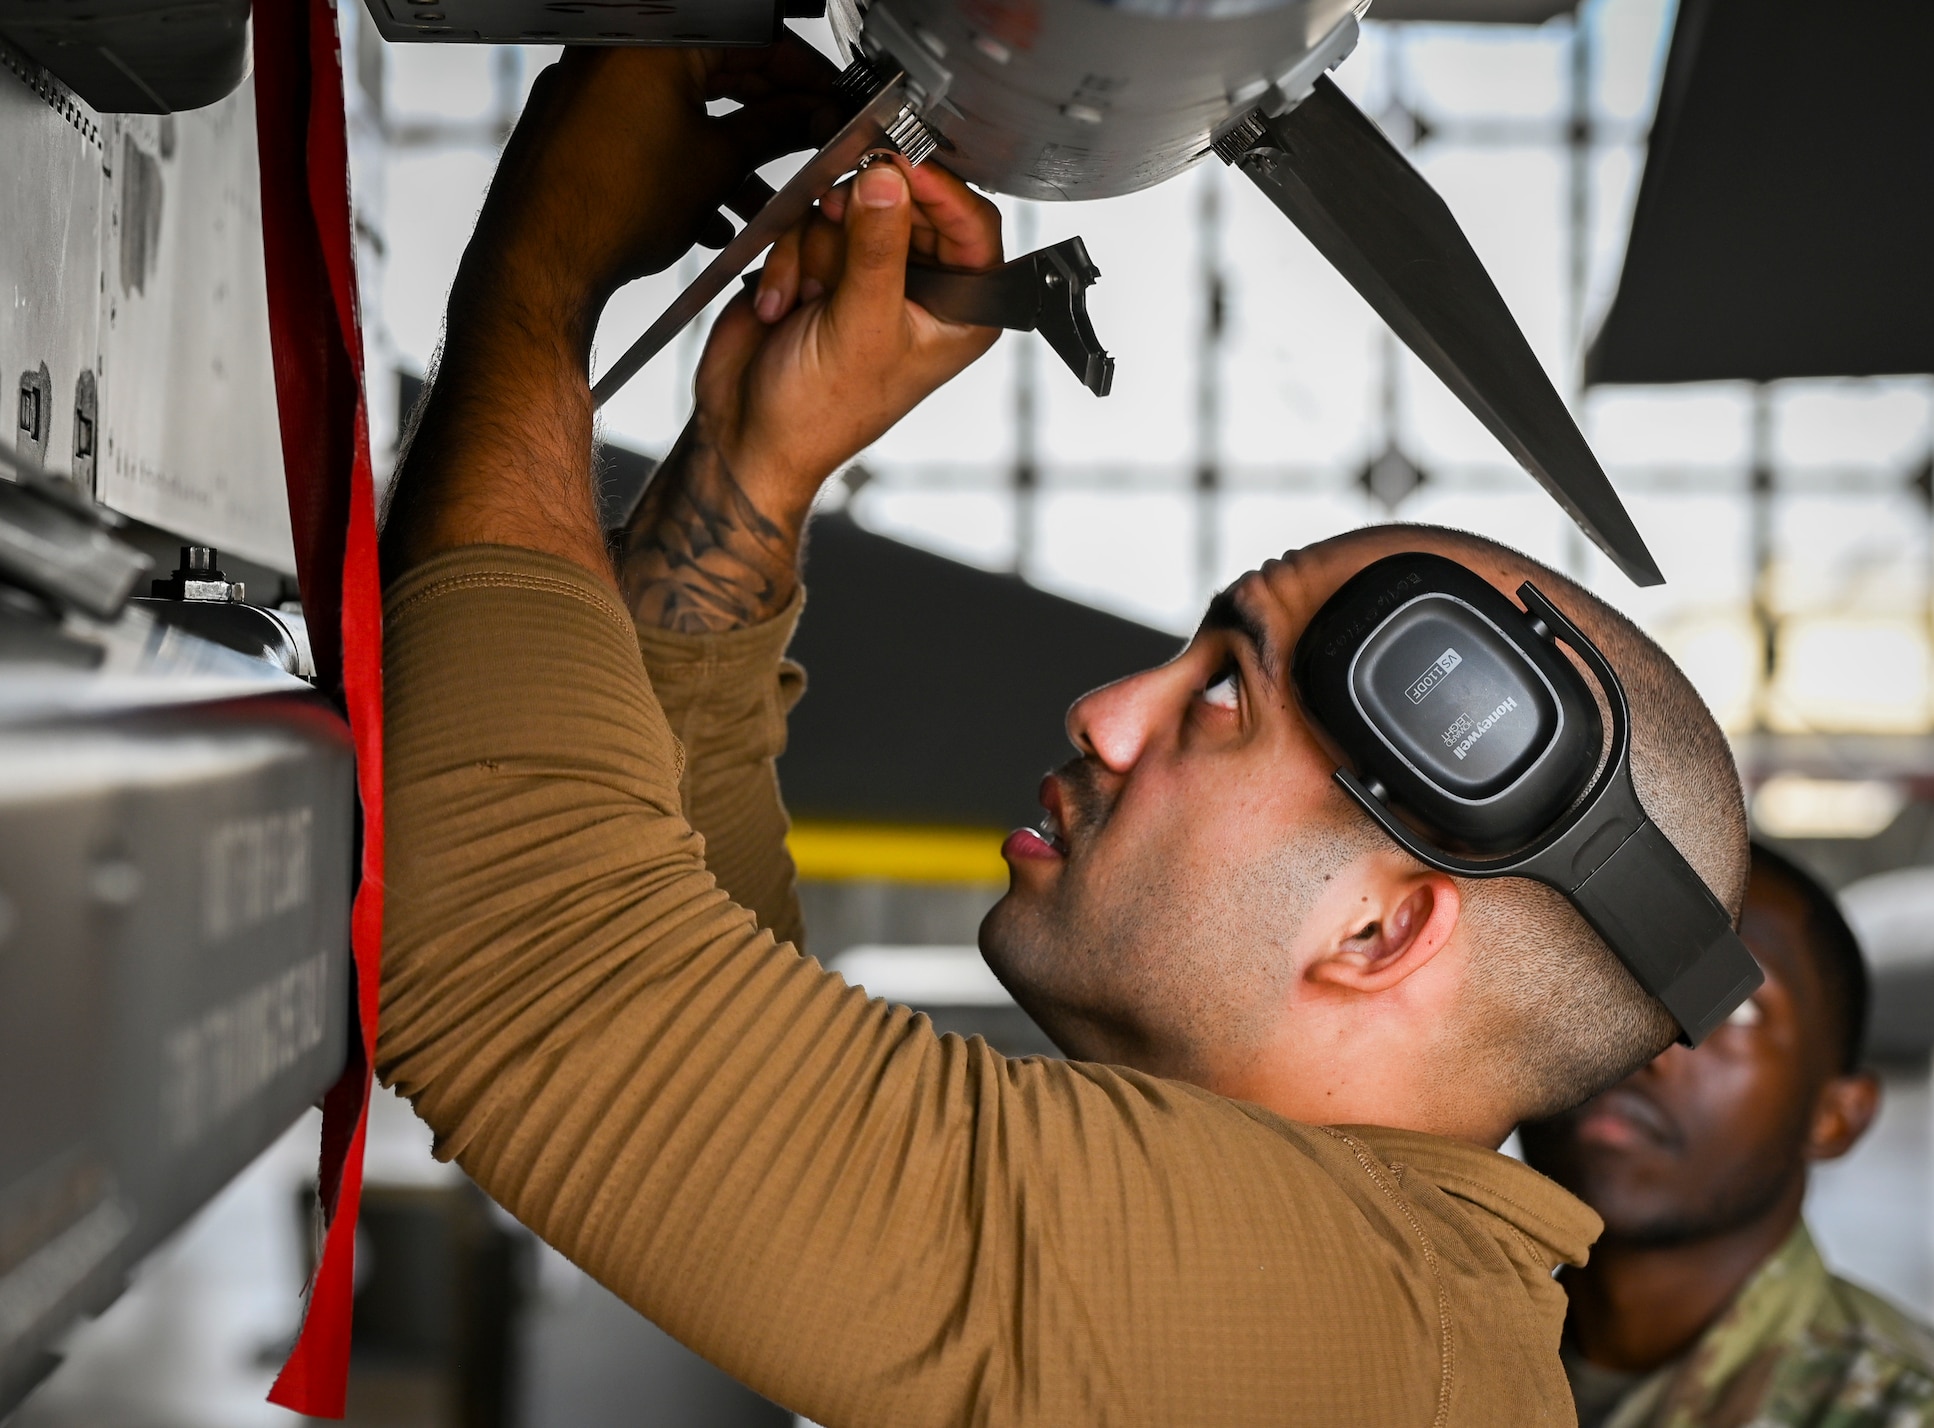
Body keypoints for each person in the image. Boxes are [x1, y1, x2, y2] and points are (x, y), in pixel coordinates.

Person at [376, 42, 1751, 1424]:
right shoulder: (1374, 1305)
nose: (1105, 711)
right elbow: (691, 1054)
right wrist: (752, 472)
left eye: (1223, 696)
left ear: (1378, 935)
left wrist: (551, 250)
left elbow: (526, 957)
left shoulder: (1329, 1319)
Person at [1521, 845, 1934, 1427]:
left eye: (1736, 1011)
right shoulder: (1423, 1365)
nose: (1646, 1041)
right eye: (1613, 978)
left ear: (1835, 1117)